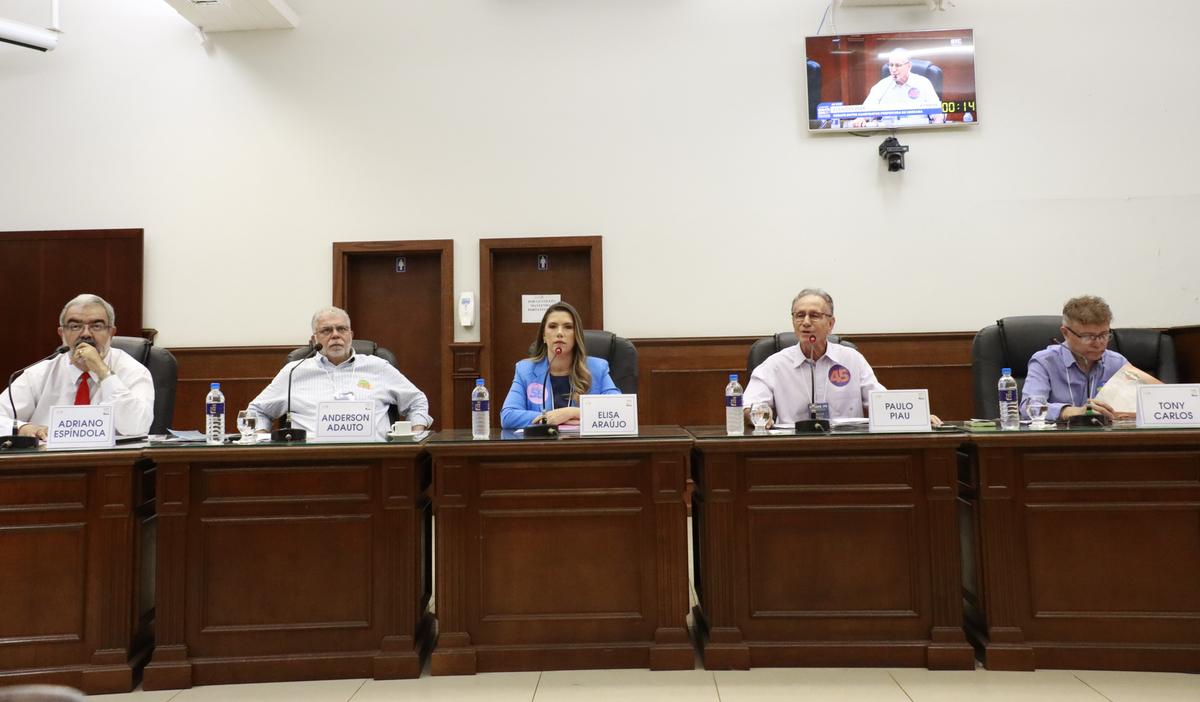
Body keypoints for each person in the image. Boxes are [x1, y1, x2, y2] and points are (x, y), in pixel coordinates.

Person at [247, 306, 431, 439]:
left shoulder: (378, 366)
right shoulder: (295, 370)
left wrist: (414, 435)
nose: (335, 335)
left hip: (374, 458)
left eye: (341, 329)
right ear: (314, 339)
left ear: (350, 334)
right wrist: (262, 438)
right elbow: (256, 411)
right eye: (326, 330)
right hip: (309, 461)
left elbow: (417, 401)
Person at [0, 293, 154, 440]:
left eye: (97, 326)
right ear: (62, 333)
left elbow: (137, 427)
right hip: (48, 463)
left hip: (110, 464)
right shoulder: (38, 374)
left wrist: (103, 372)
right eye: (75, 326)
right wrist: (21, 428)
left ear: (111, 333)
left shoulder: (133, 372)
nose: (86, 334)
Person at [743, 289, 886, 426]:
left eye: (814, 315)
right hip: (792, 446)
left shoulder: (852, 360)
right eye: (799, 315)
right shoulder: (775, 364)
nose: (805, 322)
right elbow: (750, 405)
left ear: (830, 324)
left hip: (844, 445)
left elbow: (882, 403)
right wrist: (759, 413)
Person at [1021, 295, 1149, 421]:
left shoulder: (1117, 363)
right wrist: (1070, 411)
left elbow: (1146, 405)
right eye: (1088, 336)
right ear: (1066, 333)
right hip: (1059, 440)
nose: (1098, 343)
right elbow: (1029, 408)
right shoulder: (1045, 362)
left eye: (1104, 335)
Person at [500, 301, 620, 430]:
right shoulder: (525, 370)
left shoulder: (597, 368)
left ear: (576, 335)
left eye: (568, 327)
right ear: (544, 336)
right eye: (552, 326)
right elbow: (508, 416)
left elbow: (619, 409)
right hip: (541, 447)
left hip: (585, 447)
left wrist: (571, 413)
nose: (559, 333)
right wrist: (549, 419)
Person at [852, 48, 944, 128]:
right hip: (889, 133)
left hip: (918, 132)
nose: (894, 70)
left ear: (909, 66)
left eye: (898, 65)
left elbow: (938, 113)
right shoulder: (882, 86)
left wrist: (936, 127)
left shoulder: (923, 83)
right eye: (891, 65)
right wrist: (861, 119)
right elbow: (865, 111)